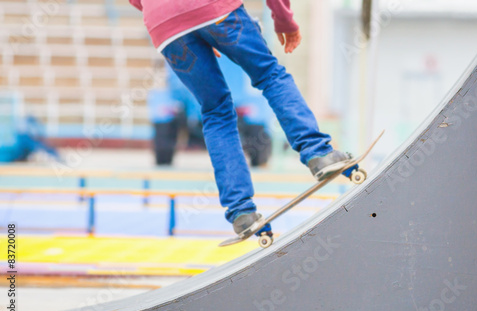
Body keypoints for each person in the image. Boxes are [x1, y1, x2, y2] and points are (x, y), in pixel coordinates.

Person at [129, 0, 352, 239]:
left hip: (165, 24)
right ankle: (318, 152)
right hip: (215, 9)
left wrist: (179, 19)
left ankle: (241, 211)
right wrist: (284, 20)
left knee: (215, 110)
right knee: (270, 75)